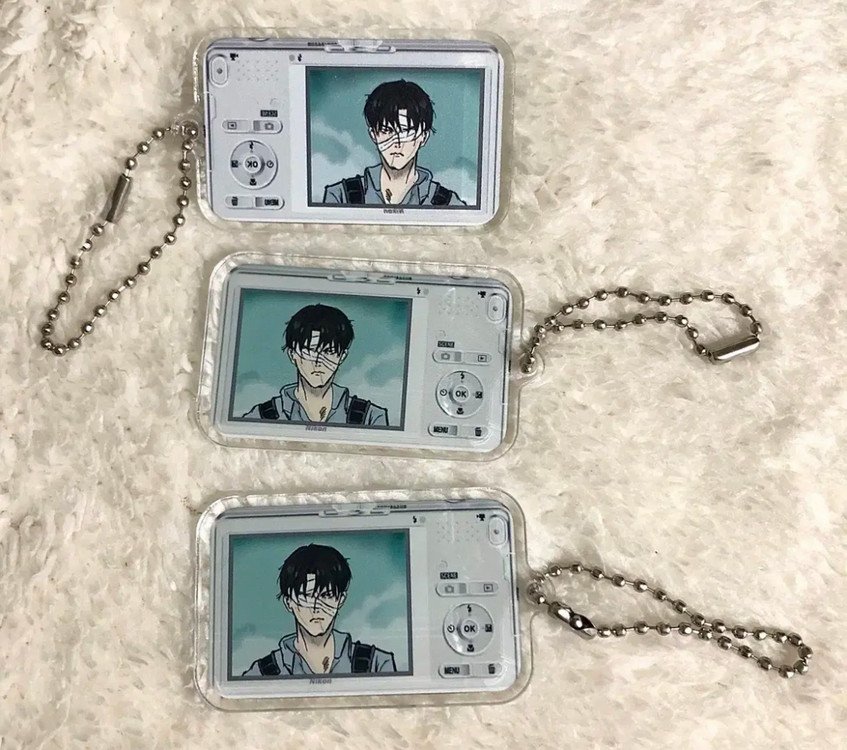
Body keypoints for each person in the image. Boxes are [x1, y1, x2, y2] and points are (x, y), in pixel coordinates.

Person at [242, 544, 397, 676]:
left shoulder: (377, 664)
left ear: (341, 600)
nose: (316, 607)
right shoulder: (262, 673)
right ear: (289, 602)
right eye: (306, 596)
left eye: (326, 595)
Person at [322, 79, 466, 207]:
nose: (397, 142)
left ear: (423, 137)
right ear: (373, 135)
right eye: (387, 131)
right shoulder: (341, 196)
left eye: (406, 131)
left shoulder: (448, 203)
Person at [242, 303, 388, 426]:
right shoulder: (260, 417)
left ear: (342, 357)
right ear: (292, 354)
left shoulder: (371, 417)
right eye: (310, 351)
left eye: (328, 351)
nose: (318, 361)